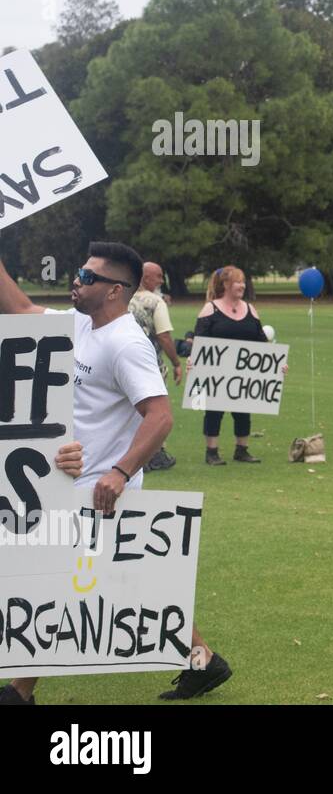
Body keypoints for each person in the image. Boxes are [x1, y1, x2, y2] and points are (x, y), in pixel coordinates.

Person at [0, 243, 232, 704]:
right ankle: (205, 661)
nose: (76, 281)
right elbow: (21, 307)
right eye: (78, 273)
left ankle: (20, 693)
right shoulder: (81, 324)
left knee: (52, 580)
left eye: (87, 277)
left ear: (114, 291)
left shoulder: (127, 344)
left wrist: (120, 473)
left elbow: (160, 417)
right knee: (127, 583)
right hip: (69, 481)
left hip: (101, 489)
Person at [193, 267, 266, 465]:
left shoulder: (250, 310)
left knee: (243, 411)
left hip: (243, 372)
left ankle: (242, 449)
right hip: (215, 372)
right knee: (214, 411)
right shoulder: (211, 309)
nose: (242, 285)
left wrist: (276, 365)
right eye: (237, 282)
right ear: (225, 285)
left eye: (243, 281)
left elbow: (262, 342)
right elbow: (200, 339)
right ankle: (212, 452)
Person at [129, 260, 182, 471]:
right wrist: (176, 362)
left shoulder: (120, 298)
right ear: (146, 277)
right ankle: (153, 456)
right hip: (150, 365)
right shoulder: (155, 302)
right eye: (158, 276)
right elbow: (164, 336)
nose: (161, 280)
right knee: (155, 411)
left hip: (122, 364)